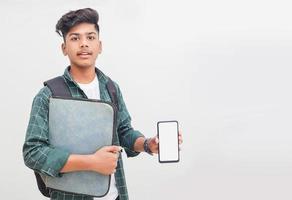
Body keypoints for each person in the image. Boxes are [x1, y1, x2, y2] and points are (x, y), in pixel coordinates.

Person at [23, 8, 183, 200]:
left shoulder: (111, 88)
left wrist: (148, 144)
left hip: (116, 195)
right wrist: (91, 162)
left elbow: (123, 132)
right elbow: (33, 153)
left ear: (100, 45)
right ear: (64, 48)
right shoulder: (48, 95)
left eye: (90, 37)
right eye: (75, 38)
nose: (84, 44)